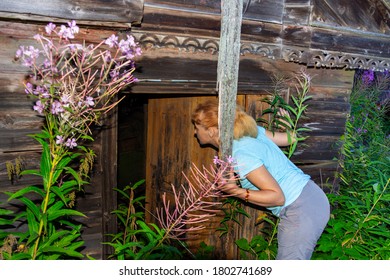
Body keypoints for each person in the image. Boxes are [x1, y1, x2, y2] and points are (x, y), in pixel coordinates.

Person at [191, 99, 330, 260]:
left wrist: (236, 191)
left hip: (299, 207)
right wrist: (286, 124)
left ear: (212, 131)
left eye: (197, 127)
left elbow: (277, 197)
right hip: (311, 198)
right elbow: (291, 138)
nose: (195, 132)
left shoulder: (241, 154)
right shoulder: (251, 133)